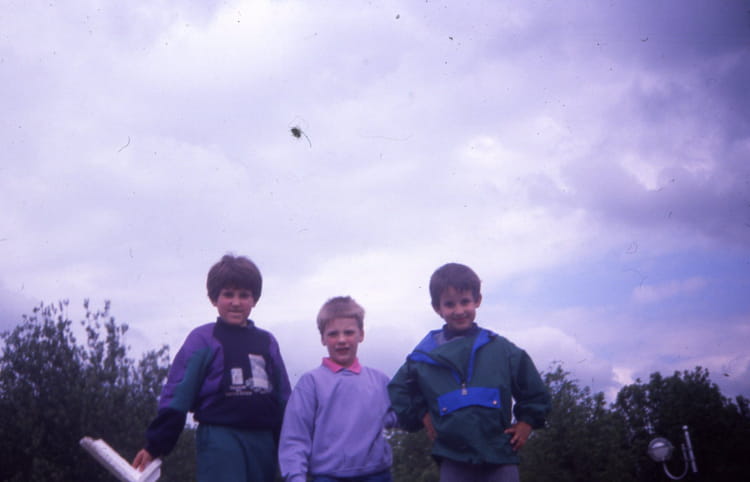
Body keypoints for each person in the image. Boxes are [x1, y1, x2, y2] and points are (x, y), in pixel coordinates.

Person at [132, 254, 291, 482]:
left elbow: (284, 399)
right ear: (214, 298)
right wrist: (155, 445)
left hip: (263, 441)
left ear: (254, 299)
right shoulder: (203, 339)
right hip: (220, 438)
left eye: (244, 295)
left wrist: (293, 446)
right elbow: (178, 395)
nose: (236, 302)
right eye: (228, 294)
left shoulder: (267, 342)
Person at [388, 263, 551, 482]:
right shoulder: (423, 357)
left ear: (477, 300)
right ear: (437, 308)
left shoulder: (501, 349)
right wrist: (421, 414)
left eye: (465, 301)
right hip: (452, 459)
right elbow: (398, 389)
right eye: (449, 304)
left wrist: (527, 422)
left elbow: (535, 391)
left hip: (500, 456)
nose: (459, 311)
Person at [278, 296, 395, 482]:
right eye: (333, 334)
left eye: (349, 332)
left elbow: (400, 416)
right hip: (328, 476)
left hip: (377, 474)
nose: (341, 340)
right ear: (323, 339)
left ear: (361, 334)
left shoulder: (379, 380)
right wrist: (296, 477)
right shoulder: (310, 383)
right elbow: (295, 437)